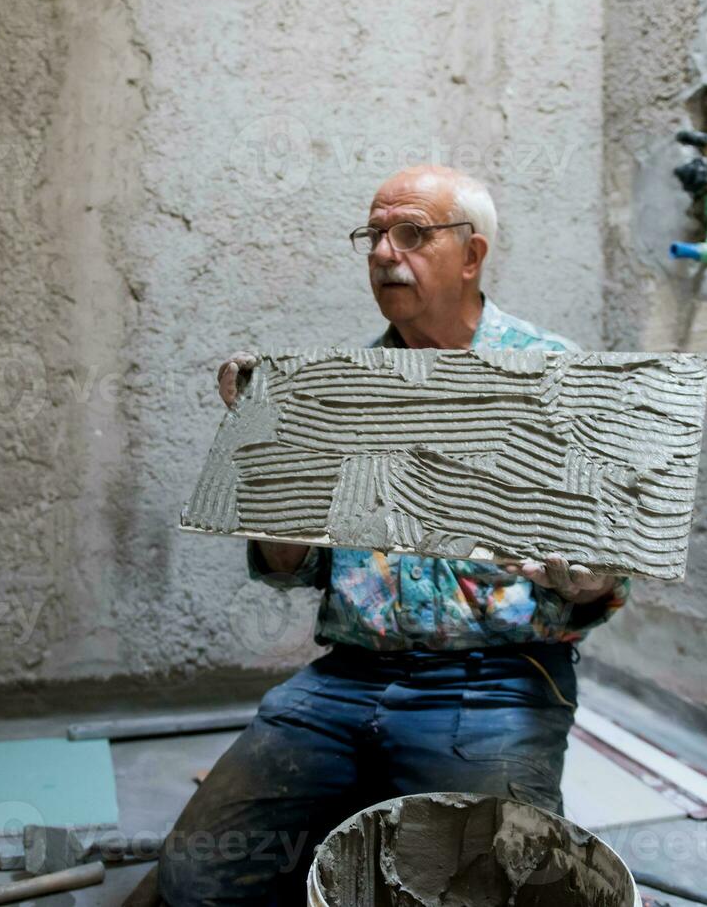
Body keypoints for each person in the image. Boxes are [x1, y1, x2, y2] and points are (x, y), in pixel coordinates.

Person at [147, 166, 629, 906]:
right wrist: (271, 456)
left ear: (471, 255)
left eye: (410, 233)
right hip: (346, 679)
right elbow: (291, 566)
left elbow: (611, 579)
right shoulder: (342, 385)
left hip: (494, 683)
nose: (381, 252)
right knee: (196, 882)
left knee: (486, 890)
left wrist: (583, 575)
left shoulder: (555, 379)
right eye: (373, 235)